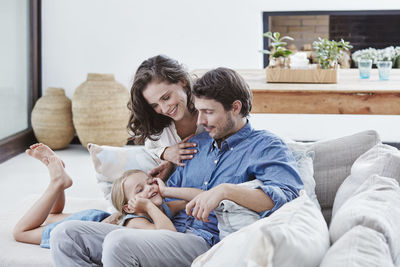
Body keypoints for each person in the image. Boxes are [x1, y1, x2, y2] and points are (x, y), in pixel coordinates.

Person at [50, 67, 304, 266]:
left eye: (208, 112)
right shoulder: (195, 144)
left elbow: (289, 198)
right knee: (66, 234)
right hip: (167, 231)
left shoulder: (266, 146)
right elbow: (165, 198)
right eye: (199, 111)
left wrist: (225, 190)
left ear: (235, 108)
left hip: (205, 241)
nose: (200, 121)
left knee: (119, 242)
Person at [13, 144, 200, 248]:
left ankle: (60, 181)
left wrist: (167, 191)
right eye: (139, 190)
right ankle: (57, 183)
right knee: (21, 232)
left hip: (94, 219)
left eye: (150, 183)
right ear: (128, 208)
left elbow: (196, 198)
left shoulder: (163, 206)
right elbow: (169, 237)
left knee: (53, 215)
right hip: (85, 225)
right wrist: (149, 206)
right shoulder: (137, 221)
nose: (150, 188)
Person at [128, 55, 202, 179]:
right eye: (154, 105)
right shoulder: (160, 127)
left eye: (166, 98)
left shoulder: (209, 108)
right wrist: (166, 153)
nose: (164, 109)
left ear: (182, 81)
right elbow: (151, 147)